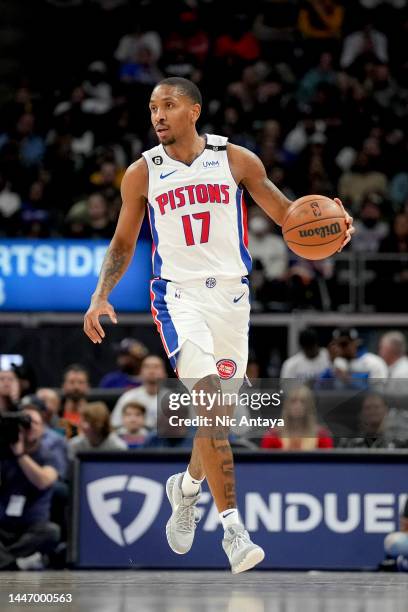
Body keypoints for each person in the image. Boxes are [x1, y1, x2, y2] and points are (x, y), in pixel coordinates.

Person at [83, 77, 353, 573]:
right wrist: (100, 295)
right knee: (209, 406)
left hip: (231, 298)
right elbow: (123, 243)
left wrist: (332, 227)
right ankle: (233, 530)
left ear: (194, 111)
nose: (157, 115)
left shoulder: (236, 159)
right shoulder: (142, 173)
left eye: (168, 106)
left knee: (216, 421)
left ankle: (184, 490)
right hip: (177, 298)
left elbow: (288, 215)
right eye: (152, 108)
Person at [0, 404, 60, 570]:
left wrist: (20, 455)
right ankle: (15, 564)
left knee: (52, 532)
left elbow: (43, 481)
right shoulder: (4, 451)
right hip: (4, 525)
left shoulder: (49, 454)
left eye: (34, 423)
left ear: (43, 428)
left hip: (32, 527)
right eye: (25, 422)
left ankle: (6, 562)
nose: (29, 427)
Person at [261, 385, 333, 450]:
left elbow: (329, 462)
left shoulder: (321, 435)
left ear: (309, 407)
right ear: (287, 406)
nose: (298, 406)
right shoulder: (273, 435)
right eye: (293, 401)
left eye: (303, 402)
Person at [110, 354, 167, 429]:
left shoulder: (174, 398)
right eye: (147, 367)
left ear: (165, 373)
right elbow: (115, 424)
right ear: (140, 373)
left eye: (156, 367)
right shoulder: (128, 397)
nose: (151, 371)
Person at [319, 327, 388, 386]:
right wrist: (331, 363)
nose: (341, 348)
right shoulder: (336, 362)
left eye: (344, 344)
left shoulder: (373, 362)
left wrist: (347, 379)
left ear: (356, 342)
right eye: (337, 344)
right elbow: (319, 386)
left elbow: (377, 392)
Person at [338, 393, 404, 449]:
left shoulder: (398, 438)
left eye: (376, 407)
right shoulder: (350, 440)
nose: (372, 411)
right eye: (367, 408)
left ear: (386, 410)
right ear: (361, 412)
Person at [60, 364, 90, 437]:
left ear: (88, 387)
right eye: (72, 382)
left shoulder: (95, 417)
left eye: (81, 382)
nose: (76, 387)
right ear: (63, 386)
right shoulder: (56, 414)